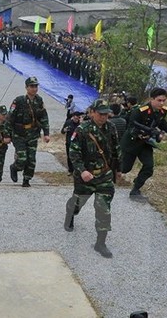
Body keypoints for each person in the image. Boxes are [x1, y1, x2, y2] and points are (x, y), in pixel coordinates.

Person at [64, 99, 121, 258]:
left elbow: (116, 148)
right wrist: (82, 171)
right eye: (101, 114)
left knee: (103, 209)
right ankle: (70, 214)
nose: (104, 117)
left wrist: (118, 169)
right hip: (85, 177)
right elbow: (74, 153)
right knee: (77, 204)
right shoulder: (82, 130)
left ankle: (100, 243)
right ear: (92, 113)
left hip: (104, 175)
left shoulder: (111, 127)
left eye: (106, 114)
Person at [120, 88, 167, 202]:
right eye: (159, 100)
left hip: (145, 144)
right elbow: (131, 127)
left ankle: (135, 190)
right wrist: (143, 133)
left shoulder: (163, 111)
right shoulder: (140, 111)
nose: (162, 103)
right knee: (125, 168)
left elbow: (163, 123)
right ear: (152, 99)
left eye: (164, 100)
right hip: (132, 142)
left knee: (149, 167)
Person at [8, 76, 50, 187]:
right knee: (22, 159)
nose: (34, 88)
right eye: (32, 86)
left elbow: (44, 117)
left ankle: (26, 179)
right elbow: (10, 118)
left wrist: (46, 133)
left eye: (36, 86)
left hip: (33, 134)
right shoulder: (19, 101)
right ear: (26, 87)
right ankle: (14, 167)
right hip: (19, 134)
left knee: (31, 159)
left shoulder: (39, 101)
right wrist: (7, 135)